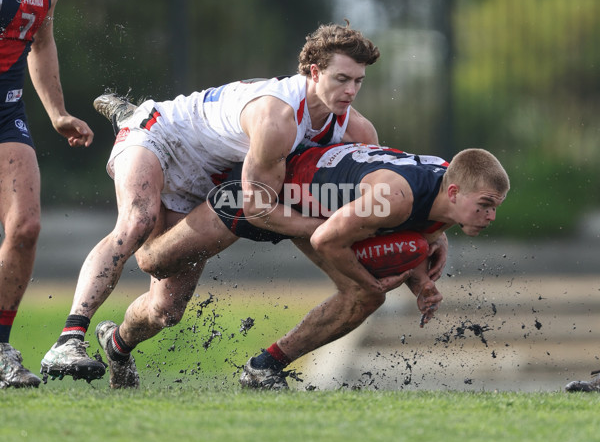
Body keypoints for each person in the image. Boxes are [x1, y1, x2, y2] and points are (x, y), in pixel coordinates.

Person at [41, 22, 421, 386]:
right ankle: (68, 340)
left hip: (208, 179)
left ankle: (118, 346)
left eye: (358, 81)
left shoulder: (356, 131)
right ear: (314, 71)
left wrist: (418, 265)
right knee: (137, 221)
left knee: (165, 310)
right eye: (342, 79)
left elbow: (376, 201)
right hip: (161, 134)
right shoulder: (278, 117)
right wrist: (329, 230)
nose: (351, 91)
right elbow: (258, 206)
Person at [97, 143, 507, 389]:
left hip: (313, 210)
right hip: (266, 200)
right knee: (153, 266)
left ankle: (264, 367)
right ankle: (151, 144)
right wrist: (374, 282)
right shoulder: (395, 196)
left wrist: (420, 280)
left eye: (494, 207)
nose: (490, 216)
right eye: (485, 206)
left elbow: (412, 235)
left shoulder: (445, 195)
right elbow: (327, 239)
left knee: (364, 296)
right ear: (454, 191)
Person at [0, 0, 94, 389]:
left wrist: (57, 112)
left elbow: (41, 43)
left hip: (6, 114)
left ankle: (0, 348)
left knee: (26, 227)